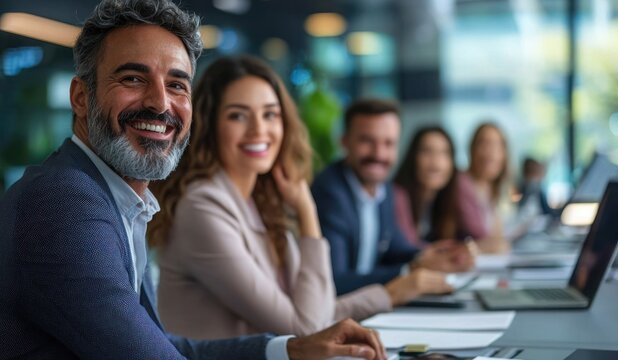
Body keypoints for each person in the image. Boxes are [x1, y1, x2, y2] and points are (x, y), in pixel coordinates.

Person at [0, 1, 386, 359]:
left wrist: (290, 349)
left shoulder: (119, 199)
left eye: (177, 84)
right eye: (134, 78)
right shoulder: (63, 203)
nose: (160, 103)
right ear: (81, 98)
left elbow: (164, 344)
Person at [148, 55, 392, 340]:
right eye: (238, 115)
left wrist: (390, 295)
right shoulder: (202, 208)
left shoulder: (259, 203)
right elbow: (305, 330)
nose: (259, 130)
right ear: (209, 126)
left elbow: (314, 312)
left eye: (270, 114)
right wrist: (307, 212)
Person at [311, 99, 474, 299]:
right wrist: (407, 271)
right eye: (366, 141)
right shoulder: (331, 193)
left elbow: (395, 247)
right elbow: (334, 280)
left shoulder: (383, 188)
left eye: (388, 143)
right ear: (344, 141)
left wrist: (430, 256)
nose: (379, 154)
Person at [393, 126, 487, 245]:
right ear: (413, 158)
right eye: (427, 151)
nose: (436, 162)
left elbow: (479, 233)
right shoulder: (398, 196)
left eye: (444, 153)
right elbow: (408, 249)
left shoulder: (442, 201)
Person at [461, 122, 511, 253]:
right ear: (472, 149)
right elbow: (483, 238)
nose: (491, 153)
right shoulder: (462, 184)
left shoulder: (490, 189)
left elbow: (498, 238)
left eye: (498, 146)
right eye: (484, 144)